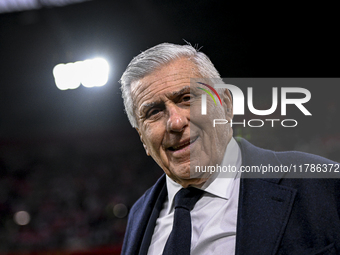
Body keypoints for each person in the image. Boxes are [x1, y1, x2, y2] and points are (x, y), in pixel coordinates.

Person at [119, 43, 340, 255]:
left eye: (187, 98)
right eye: (154, 112)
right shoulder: (139, 215)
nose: (176, 122)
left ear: (226, 105)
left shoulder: (321, 183)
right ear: (142, 139)